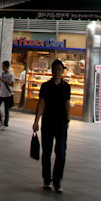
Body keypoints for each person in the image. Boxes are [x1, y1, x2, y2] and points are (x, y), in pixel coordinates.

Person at [33, 59, 71, 193]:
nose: (57, 72)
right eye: (54, 69)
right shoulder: (45, 86)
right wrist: (36, 121)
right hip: (48, 122)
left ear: (62, 71)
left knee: (61, 153)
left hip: (61, 123)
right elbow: (41, 103)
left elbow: (67, 103)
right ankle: (46, 180)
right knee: (47, 152)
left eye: (59, 70)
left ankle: (57, 181)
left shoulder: (66, 87)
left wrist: (68, 120)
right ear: (51, 70)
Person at [0, 61, 14, 129]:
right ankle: (0, 122)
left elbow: (12, 84)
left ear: (7, 67)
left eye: (4, 66)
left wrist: (4, 80)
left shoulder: (11, 75)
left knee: (6, 110)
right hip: (0, 94)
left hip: (7, 94)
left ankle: (5, 124)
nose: (2, 67)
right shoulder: (1, 74)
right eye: (2, 66)